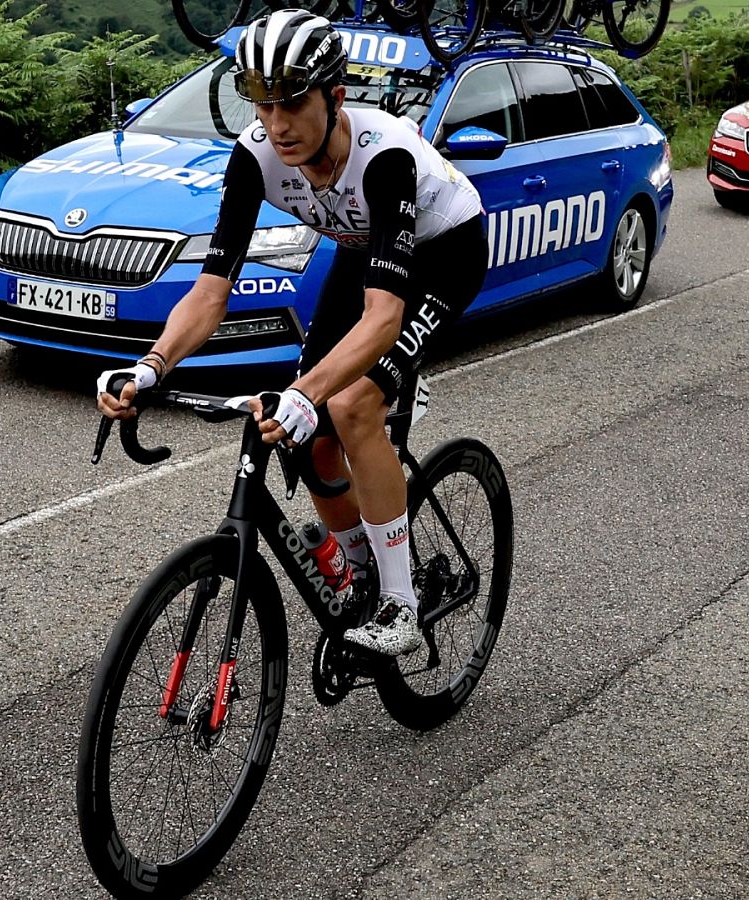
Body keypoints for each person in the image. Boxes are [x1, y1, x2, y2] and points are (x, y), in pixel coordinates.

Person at [95, 9, 487, 656]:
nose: (277, 124)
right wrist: (151, 366)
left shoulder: (383, 158)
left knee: (348, 403)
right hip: (363, 247)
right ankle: (363, 568)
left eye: (293, 103)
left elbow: (384, 317)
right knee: (305, 441)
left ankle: (401, 604)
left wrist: (307, 393)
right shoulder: (254, 157)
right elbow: (211, 289)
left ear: (335, 97)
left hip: (446, 251)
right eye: (262, 102)